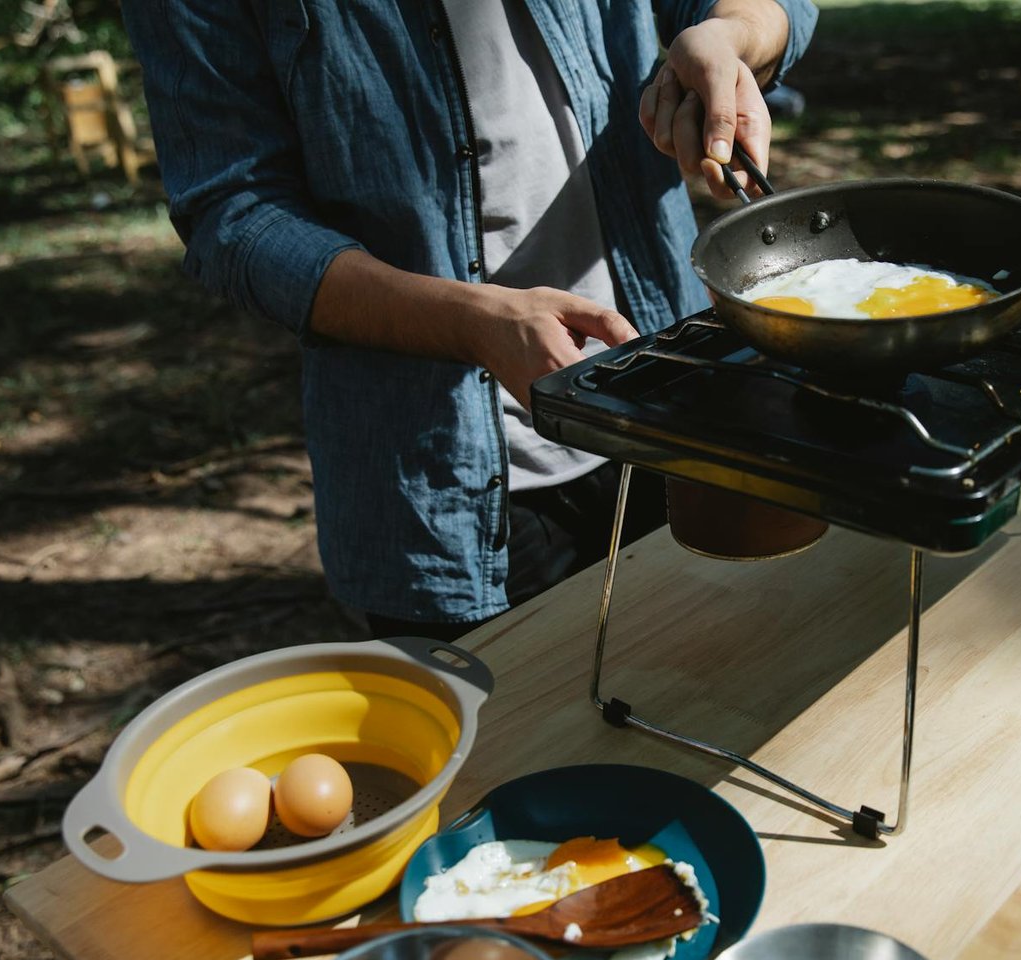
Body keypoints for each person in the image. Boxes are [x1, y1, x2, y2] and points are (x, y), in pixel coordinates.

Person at [122, 1, 818, 640]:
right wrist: (468, 323)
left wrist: (730, 39)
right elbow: (235, 219)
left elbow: (771, 8)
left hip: (677, 416)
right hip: (443, 488)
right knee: (511, 764)